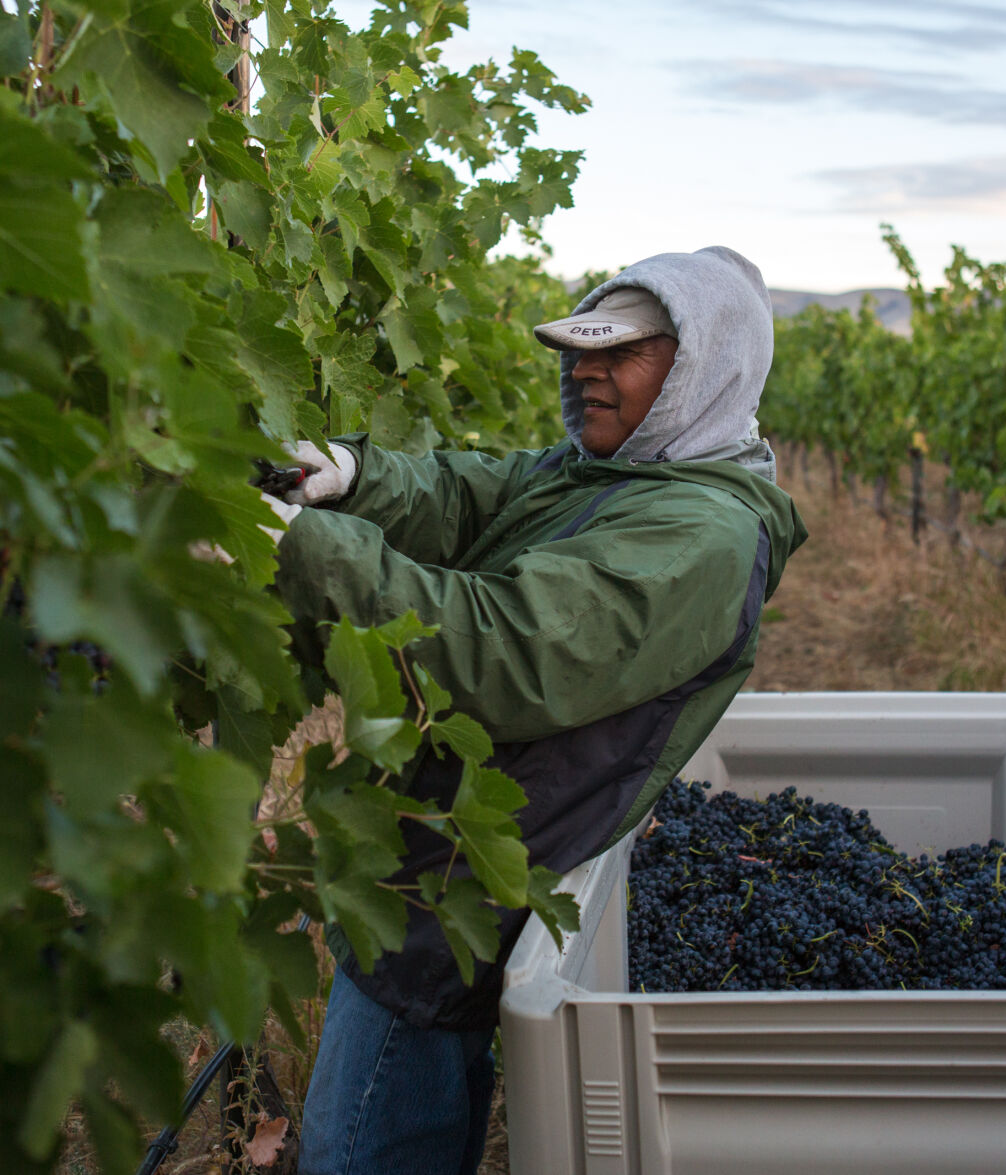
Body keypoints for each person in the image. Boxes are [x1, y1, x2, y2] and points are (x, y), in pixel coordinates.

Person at [261, 245, 805, 1175]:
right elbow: (484, 495)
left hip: (456, 881)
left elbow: (504, 649)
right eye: (578, 350)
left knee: (359, 1145)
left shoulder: (697, 535)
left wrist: (311, 550)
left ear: (703, 368)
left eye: (622, 352)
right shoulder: (620, 473)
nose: (585, 368)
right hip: (442, 849)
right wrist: (354, 477)